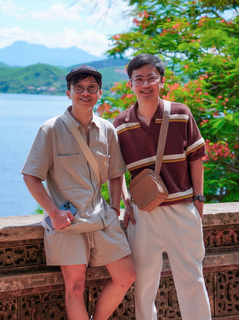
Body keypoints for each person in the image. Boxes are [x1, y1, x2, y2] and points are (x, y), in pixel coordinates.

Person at [21, 64, 136, 320]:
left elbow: (116, 173)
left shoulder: (107, 129)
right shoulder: (50, 129)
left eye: (92, 88)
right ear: (68, 92)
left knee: (126, 275)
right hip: (68, 222)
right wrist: (53, 212)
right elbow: (31, 175)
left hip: (102, 218)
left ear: (99, 93)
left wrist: (115, 207)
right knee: (75, 286)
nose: (86, 93)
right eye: (80, 88)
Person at [113, 54, 211, 320]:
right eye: (139, 79)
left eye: (151, 78)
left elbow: (195, 158)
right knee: (144, 285)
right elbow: (117, 171)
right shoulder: (120, 125)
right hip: (143, 215)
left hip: (181, 208)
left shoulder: (180, 113)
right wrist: (126, 202)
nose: (146, 84)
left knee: (192, 278)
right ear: (130, 84)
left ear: (162, 81)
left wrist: (198, 200)